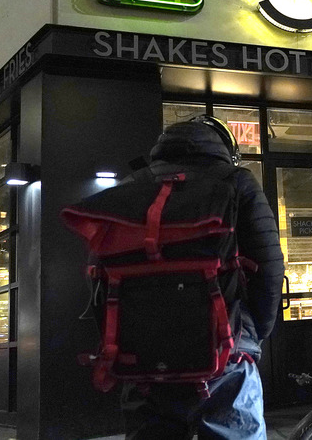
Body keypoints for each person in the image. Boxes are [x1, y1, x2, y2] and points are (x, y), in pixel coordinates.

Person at [121, 115, 284, 440]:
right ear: (225, 148)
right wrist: (255, 331)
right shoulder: (238, 181)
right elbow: (270, 266)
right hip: (225, 348)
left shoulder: (135, 186)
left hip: (146, 357)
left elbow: (104, 272)